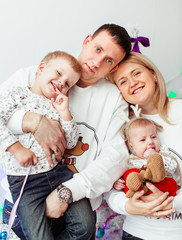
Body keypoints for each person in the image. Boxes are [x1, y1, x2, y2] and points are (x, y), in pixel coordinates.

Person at [1, 24, 132, 239]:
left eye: (109, 60)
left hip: (74, 202)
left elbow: (116, 156)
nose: (97, 62)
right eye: (97, 49)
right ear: (86, 41)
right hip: (25, 188)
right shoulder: (34, 75)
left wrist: (68, 193)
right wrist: (32, 121)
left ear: (114, 68)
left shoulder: (113, 98)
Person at [0, 50, 90, 240]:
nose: (61, 83)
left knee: (85, 224)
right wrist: (16, 149)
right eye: (58, 74)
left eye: (67, 84)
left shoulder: (57, 105)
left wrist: (65, 113)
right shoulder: (16, 95)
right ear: (41, 68)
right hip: (25, 183)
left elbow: (72, 142)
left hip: (59, 174)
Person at [105, 52, 182, 240]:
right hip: (137, 232)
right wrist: (127, 205)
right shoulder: (121, 125)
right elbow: (109, 183)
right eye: (122, 82)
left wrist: (173, 202)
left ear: (153, 74)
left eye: (136, 73)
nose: (132, 83)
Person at [113, 116, 180, 198]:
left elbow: (172, 168)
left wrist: (155, 157)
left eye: (153, 137)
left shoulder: (163, 152)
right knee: (130, 173)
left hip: (162, 187)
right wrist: (119, 183)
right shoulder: (131, 160)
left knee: (172, 183)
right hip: (142, 194)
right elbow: (130, 179)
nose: (150, 142)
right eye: (143, 140)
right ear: (132, 146)